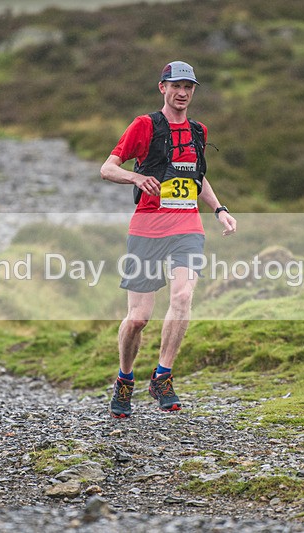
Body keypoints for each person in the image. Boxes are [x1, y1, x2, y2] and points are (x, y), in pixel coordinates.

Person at [100, 60, 237, 418]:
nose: (182, 93)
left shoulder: (198, 131)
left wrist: (219, 209)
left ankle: (162, 376)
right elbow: (107, 168)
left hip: (187, 228)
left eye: (188, 87)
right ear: (162, 87)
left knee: (183, 296)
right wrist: (135, 178)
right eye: (176, 86)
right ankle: (125, 379)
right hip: (146, 229)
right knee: (138, 318)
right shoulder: (145, 126)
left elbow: (197, 178)